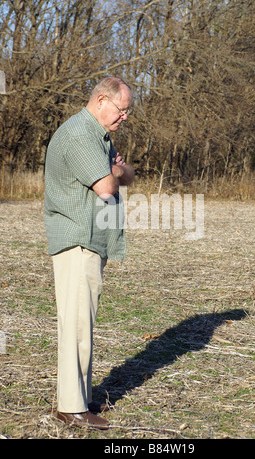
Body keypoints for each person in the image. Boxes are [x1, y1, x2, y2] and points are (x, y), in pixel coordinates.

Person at [44, 77, 135, 430]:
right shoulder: (81, 134)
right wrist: (115, 170)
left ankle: (80, 399)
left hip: (89, 241)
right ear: (101, 100)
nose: (124, 117)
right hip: (77, 241)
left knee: (84, 322)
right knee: (77, 324)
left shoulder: (99, 136)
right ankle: (71, 407)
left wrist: (117, 170)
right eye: (121, 109)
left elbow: (124, 173)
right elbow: (108, 185)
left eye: (127, 111)